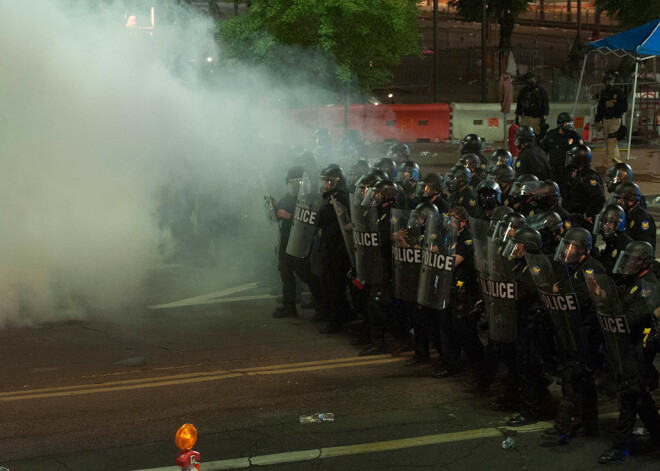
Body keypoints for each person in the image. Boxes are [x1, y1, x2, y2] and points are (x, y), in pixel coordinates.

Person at [591, 241, 660, 463]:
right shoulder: (633, 282)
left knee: (629, 397)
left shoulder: (648, 287)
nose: (627, 263)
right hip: (628, 349)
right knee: (639, 397)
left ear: (644, 263)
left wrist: (610, 307)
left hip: (639, 350)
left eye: (632, 259)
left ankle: (619, 447)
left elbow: (631, 320)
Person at [541, 228, 606, 445]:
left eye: (573, 247)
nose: (567, 251)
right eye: (566, 246)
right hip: (570, 333)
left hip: (587, 336)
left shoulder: (593, 270)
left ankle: (562, 428)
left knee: (572, 380)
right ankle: (590, 424)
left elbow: (584, 300)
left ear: (585, 250)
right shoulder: (566, 268)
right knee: (584, 382)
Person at [502, 227, 549, 426]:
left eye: (518, 245)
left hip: (533, 324)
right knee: (527, 367)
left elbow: (522, 292)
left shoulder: (535, 265)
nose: (515, 248)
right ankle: (538, 401)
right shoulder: (524, 262)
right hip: (525, 322)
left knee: (527, 367)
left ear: (527, 247)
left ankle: (530, 412)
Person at [434, 206, 485, 378]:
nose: (449, 222)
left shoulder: (467, 239)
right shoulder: (448, 237)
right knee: (447, 327)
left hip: (465, 292)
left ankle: (482, 363)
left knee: (464, 329)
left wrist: (437, 254)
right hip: (448, 289)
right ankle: (451, 365)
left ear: (463, 222)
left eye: (453, 220)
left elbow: (452, 262)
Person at [273, 166, 322, 318]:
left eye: (299, 181)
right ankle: (289, 307)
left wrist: (289, 216)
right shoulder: (287, 198)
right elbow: (277, 213)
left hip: (301, 239)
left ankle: (322, 304)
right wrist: (273, 208)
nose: (295, 184)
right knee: (285, 272)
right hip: (287, 238)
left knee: (304, 273)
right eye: (293, 181)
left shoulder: (310, 198)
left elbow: (310, 220)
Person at [316, 165, 354, 334]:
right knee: (329, 284)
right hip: (330, 247)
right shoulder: (331, 197)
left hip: (339, 248)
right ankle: (339, 315)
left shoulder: (343, 197)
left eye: (327, 181)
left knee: (335, 286)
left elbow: (348, 221)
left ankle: (337, 320)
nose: (325, 184)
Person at [562, 144, 606, 231]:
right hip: (574, 216)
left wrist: (588, 214)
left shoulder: (589, 177)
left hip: (582, 220)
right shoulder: (577, 173)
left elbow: (599, 198)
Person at [539, 112, 583, 190]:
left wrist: (577, 171)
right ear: (560, 123)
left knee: (567, 196)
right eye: (567, 123)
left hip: (567, 173)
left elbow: (582, 154)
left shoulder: (575, 136)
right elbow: (542, 151)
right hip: (552, 172)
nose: (569, 125)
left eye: (571, 123)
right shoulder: (551, 135)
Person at [595, 70, 628, 167]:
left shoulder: (619, 93)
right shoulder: (605, 93)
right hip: (606, 120)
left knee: (611, 141)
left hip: (615, 119)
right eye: (607, 81)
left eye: (611, 81)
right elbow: (600, 108)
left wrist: (613, 105)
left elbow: (624, 108)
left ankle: (608, 163)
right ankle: (618, 163)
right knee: (610, 143)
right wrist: (597, 120)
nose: (609, 83)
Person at [591, 204, 633, 276]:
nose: (605, 225)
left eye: (610, 222)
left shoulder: (625, 244)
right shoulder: (611, 241)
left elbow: (618, 272)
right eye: (604, 222)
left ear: (619, 224)